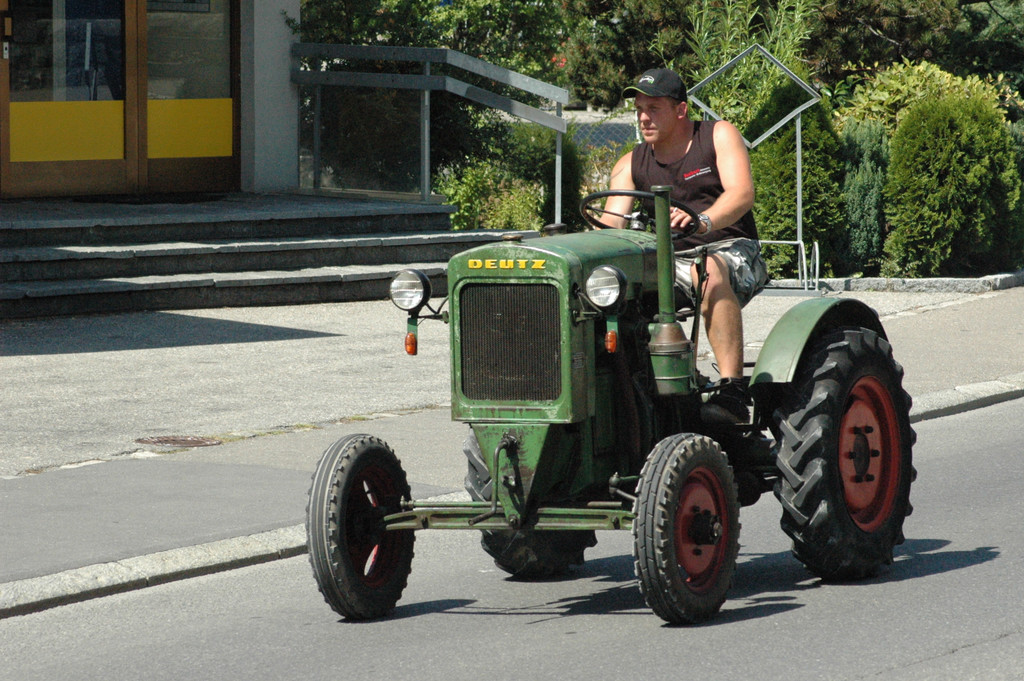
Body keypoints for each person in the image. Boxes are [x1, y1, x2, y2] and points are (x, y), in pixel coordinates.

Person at [599, 68, 768, 423]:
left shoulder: (717, 135)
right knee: (603, 291)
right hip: (667, 262)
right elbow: (610, 226)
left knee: (706, 271)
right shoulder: (631, 163)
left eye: (654, 108)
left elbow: (742, 193)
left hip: (730, 249)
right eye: (639, 109)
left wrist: (703, 220)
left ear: (681, 110)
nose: (644, 118)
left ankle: (732, 390)